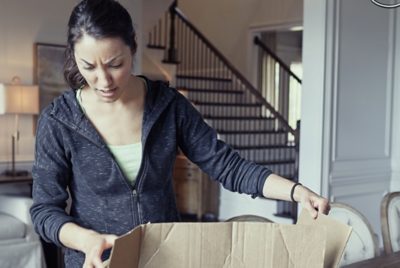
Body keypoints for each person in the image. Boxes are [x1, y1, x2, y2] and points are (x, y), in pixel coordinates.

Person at [30, 0, 330, 267]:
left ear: (133, 47)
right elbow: (45, 211)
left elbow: (228, 166)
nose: (103, 80)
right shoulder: (59, 121)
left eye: (115, 64)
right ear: (75, 57)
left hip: (166, 256)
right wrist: (86, 241)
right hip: (97, 261)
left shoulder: (169, 106)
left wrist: (295, 192)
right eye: (88, 67)